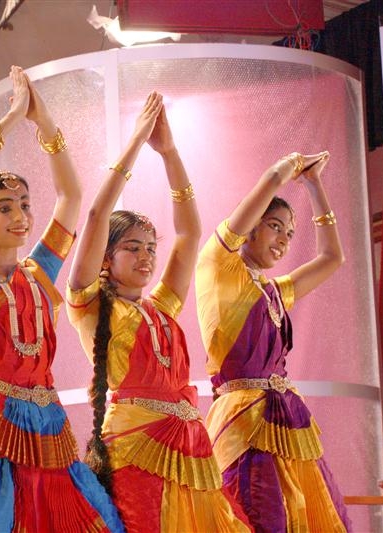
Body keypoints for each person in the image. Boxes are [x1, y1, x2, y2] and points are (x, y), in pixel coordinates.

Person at [0, 66, 124, 533]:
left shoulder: (40, 272)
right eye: (4, 207)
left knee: (100, 523)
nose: (20, 216)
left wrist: (45, 123)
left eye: (23, 205)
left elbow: (70, 195)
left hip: (48, 426)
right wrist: (12, 117)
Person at [66, 92, 252, 533]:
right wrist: (135, 142)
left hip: (191, 444)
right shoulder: (89, 304)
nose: (146, 257)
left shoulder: (162, 305)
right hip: (135, 444)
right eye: (133, 248)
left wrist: (169, 152)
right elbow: (96, 215)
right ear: (105, 258)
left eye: (151, 248)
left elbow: (189, 233)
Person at [194, 148, 351, 532]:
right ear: (250, 226)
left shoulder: (275, 291)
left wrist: (314, 185)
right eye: (275, 226)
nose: (283, 239)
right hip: (242, 422)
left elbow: (333, 257)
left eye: (290, 233)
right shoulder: (218, 265)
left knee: (310, 515)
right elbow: (267, 185)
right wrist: (292, 164)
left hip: (286, 420)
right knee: (262, 517)